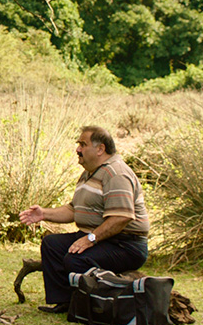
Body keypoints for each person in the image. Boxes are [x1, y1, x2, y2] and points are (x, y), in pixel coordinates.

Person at [19, 125, 149, 314]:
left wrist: (90, 239)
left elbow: (121, 217)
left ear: (100, 149)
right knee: (52, 245)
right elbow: (74, 210)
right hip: (102, 238)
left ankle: (91, 308)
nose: (77, 149)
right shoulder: (90, 173)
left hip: (125, 245)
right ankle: (65, 302)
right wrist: (43, 214)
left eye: (83, 144)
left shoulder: (116, 173)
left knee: (76, 259)